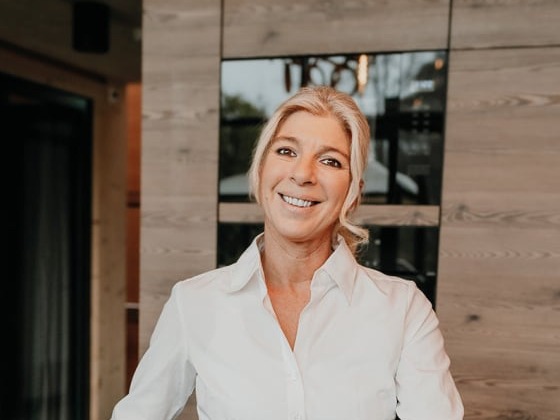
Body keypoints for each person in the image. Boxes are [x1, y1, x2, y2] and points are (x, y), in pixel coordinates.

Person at [111, 86, 464, 420]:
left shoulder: (403, 310)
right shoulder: (194, 303)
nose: (302, 174)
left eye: (330, 161)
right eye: (286, 151)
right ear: (260, 169)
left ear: (353, 193)